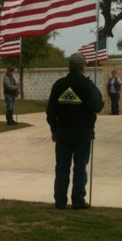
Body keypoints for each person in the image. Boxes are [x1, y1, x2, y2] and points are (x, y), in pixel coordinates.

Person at [46, 53, 104, 210]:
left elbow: (50, 110)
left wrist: (53, 129)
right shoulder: (87, 85)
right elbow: (98, 106)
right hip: (83, 133)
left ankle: (60, 201)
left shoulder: (59, 84)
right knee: (80, 168)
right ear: (83, 68)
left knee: (62, 168)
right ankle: (78, 201)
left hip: (63, 133)